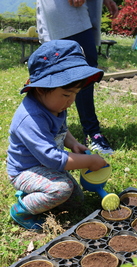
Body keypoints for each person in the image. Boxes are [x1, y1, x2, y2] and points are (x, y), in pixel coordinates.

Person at [7, 40, 108, 230]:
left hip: (46, 167)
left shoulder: (55, 105)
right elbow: (52, 158)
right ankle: (22, 209)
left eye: (76, 94)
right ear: (41, 88)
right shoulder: (30, 119)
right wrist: (88, 161)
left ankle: (36, 196)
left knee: (75, 200)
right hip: (25, 171)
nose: (71, 101)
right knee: (61, 189)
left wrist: (73, 144)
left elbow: (61, 128)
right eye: (66, 94)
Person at [36, 0, 118, 155]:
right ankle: (88, 132)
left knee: (81, 67)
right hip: (66, 9)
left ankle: (57, 129)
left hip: (80, 8)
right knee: (73, 66)